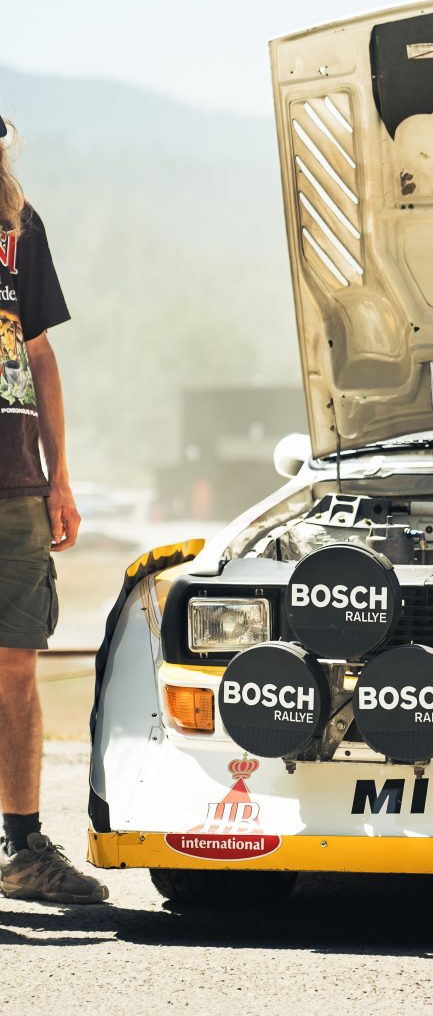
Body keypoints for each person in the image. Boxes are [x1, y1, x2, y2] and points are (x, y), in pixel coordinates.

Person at [0, 116, 107, 904]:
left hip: (16, 485)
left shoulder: (17, 222)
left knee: (16, 668)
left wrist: (59, 475)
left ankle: (25, 851)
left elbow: (38, 353)